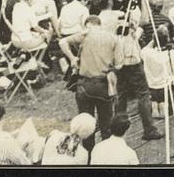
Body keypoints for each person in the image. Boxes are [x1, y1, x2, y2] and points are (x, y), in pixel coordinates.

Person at [58, 15, 119, 152]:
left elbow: (62, 42)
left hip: (84, 86)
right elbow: (119, 64)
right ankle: (106, 154)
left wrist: (72, 58)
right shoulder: (112, 38)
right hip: (104, 85)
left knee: (85, 124)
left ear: (88, 25)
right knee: (106, 124)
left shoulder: (84, 35)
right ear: (99, 24)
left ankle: (88, 155)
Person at [114, 23, 163, 141]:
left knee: (121, 96)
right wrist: (134, 27)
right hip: (133, 64)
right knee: (143, 95)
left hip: (120, 65)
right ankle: (149, 130)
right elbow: (143, 22)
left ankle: (117, 129)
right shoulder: (130, 32)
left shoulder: (117, 30)